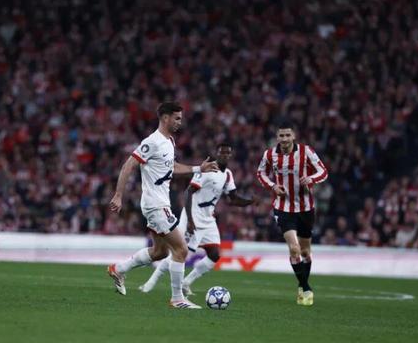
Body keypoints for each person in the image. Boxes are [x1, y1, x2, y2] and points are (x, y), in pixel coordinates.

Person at [108, 101, 219, 309]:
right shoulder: (152, 141)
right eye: (177, 118)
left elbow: (172, 167)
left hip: (159, 203)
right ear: (165, 118)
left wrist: (198, 169)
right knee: (181, 249)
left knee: (160, 252)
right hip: (155, 205)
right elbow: (128, 165)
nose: (180, 122)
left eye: (181, 118)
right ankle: (177, 299)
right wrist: (118, 195)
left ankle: (118, 269)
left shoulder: (169, 141)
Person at [139, 143, 257, 295]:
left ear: (230, 155)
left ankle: (186, 283)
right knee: (180, 252)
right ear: (217, 153)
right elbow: (188, 192)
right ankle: (150, 282)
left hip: (208, 219)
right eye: (222, 152)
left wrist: (250, 201)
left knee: (214, 255)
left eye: (227, 153)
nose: (224, 155)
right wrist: (190, 220)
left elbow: (233, 198)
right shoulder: (207, 170)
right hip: (193, 216)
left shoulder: (227, 174)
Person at [256, 120, 328, 306]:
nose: (285, 139)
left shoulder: (306, 151)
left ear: (294, 136)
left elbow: (323, 171)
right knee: (294, 249)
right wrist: (273, 186)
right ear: (277, 137)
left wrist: (311, 179)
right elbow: (260, 173)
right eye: (281, 135)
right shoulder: (270, 154)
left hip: (306, 208)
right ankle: (306, 288)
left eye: (288, 135)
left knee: (305, 251)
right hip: (283, 207)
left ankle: (302, 285)